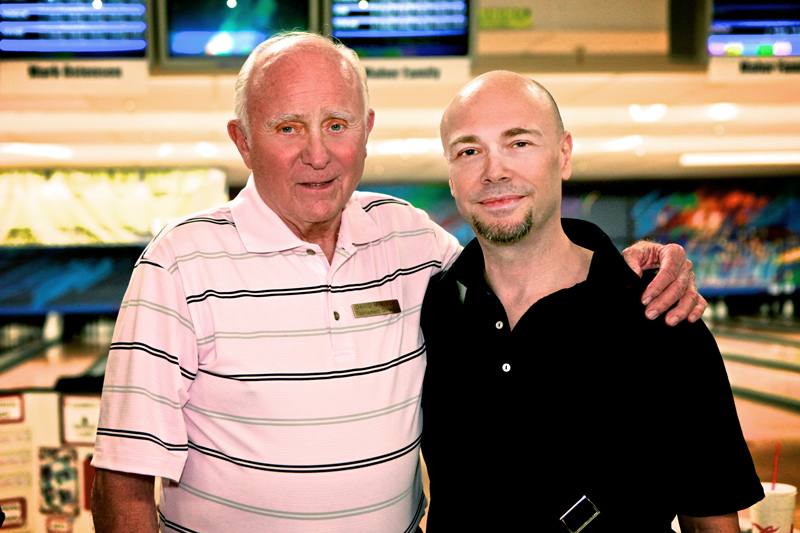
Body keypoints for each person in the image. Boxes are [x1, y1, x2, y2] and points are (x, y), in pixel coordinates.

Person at [90, 32, 705, 532]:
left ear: (367, 129)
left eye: (338, 124)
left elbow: (520, 257)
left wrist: (634, 267)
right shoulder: (178, 262)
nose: (318, 153)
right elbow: (121, 483)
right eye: (287, 128)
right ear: (242, 142)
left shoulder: (409, 239)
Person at [420, 71, 764, 532]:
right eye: (468, 151)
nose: (494, 171)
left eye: (519, 143)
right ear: (451, 175)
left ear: (563, 155)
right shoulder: (433, 311)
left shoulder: (662, 316)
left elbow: (713, 522)